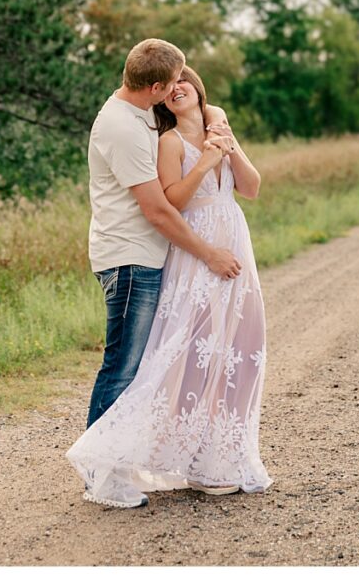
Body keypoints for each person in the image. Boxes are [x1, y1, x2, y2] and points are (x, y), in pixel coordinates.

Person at [68, 65, 273, 508]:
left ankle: (216, 459)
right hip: (194, 247)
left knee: (236, 347)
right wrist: (204, 162)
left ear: (199, 88)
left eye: (187, 80)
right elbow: (172, 201)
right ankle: (107, 464)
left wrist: (228, 147)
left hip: (234, 240)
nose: (179, 87)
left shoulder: (219, 123)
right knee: (186, 350)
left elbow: (252, 188)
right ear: (161, 96)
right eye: (171, 85)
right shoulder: (167, 141)